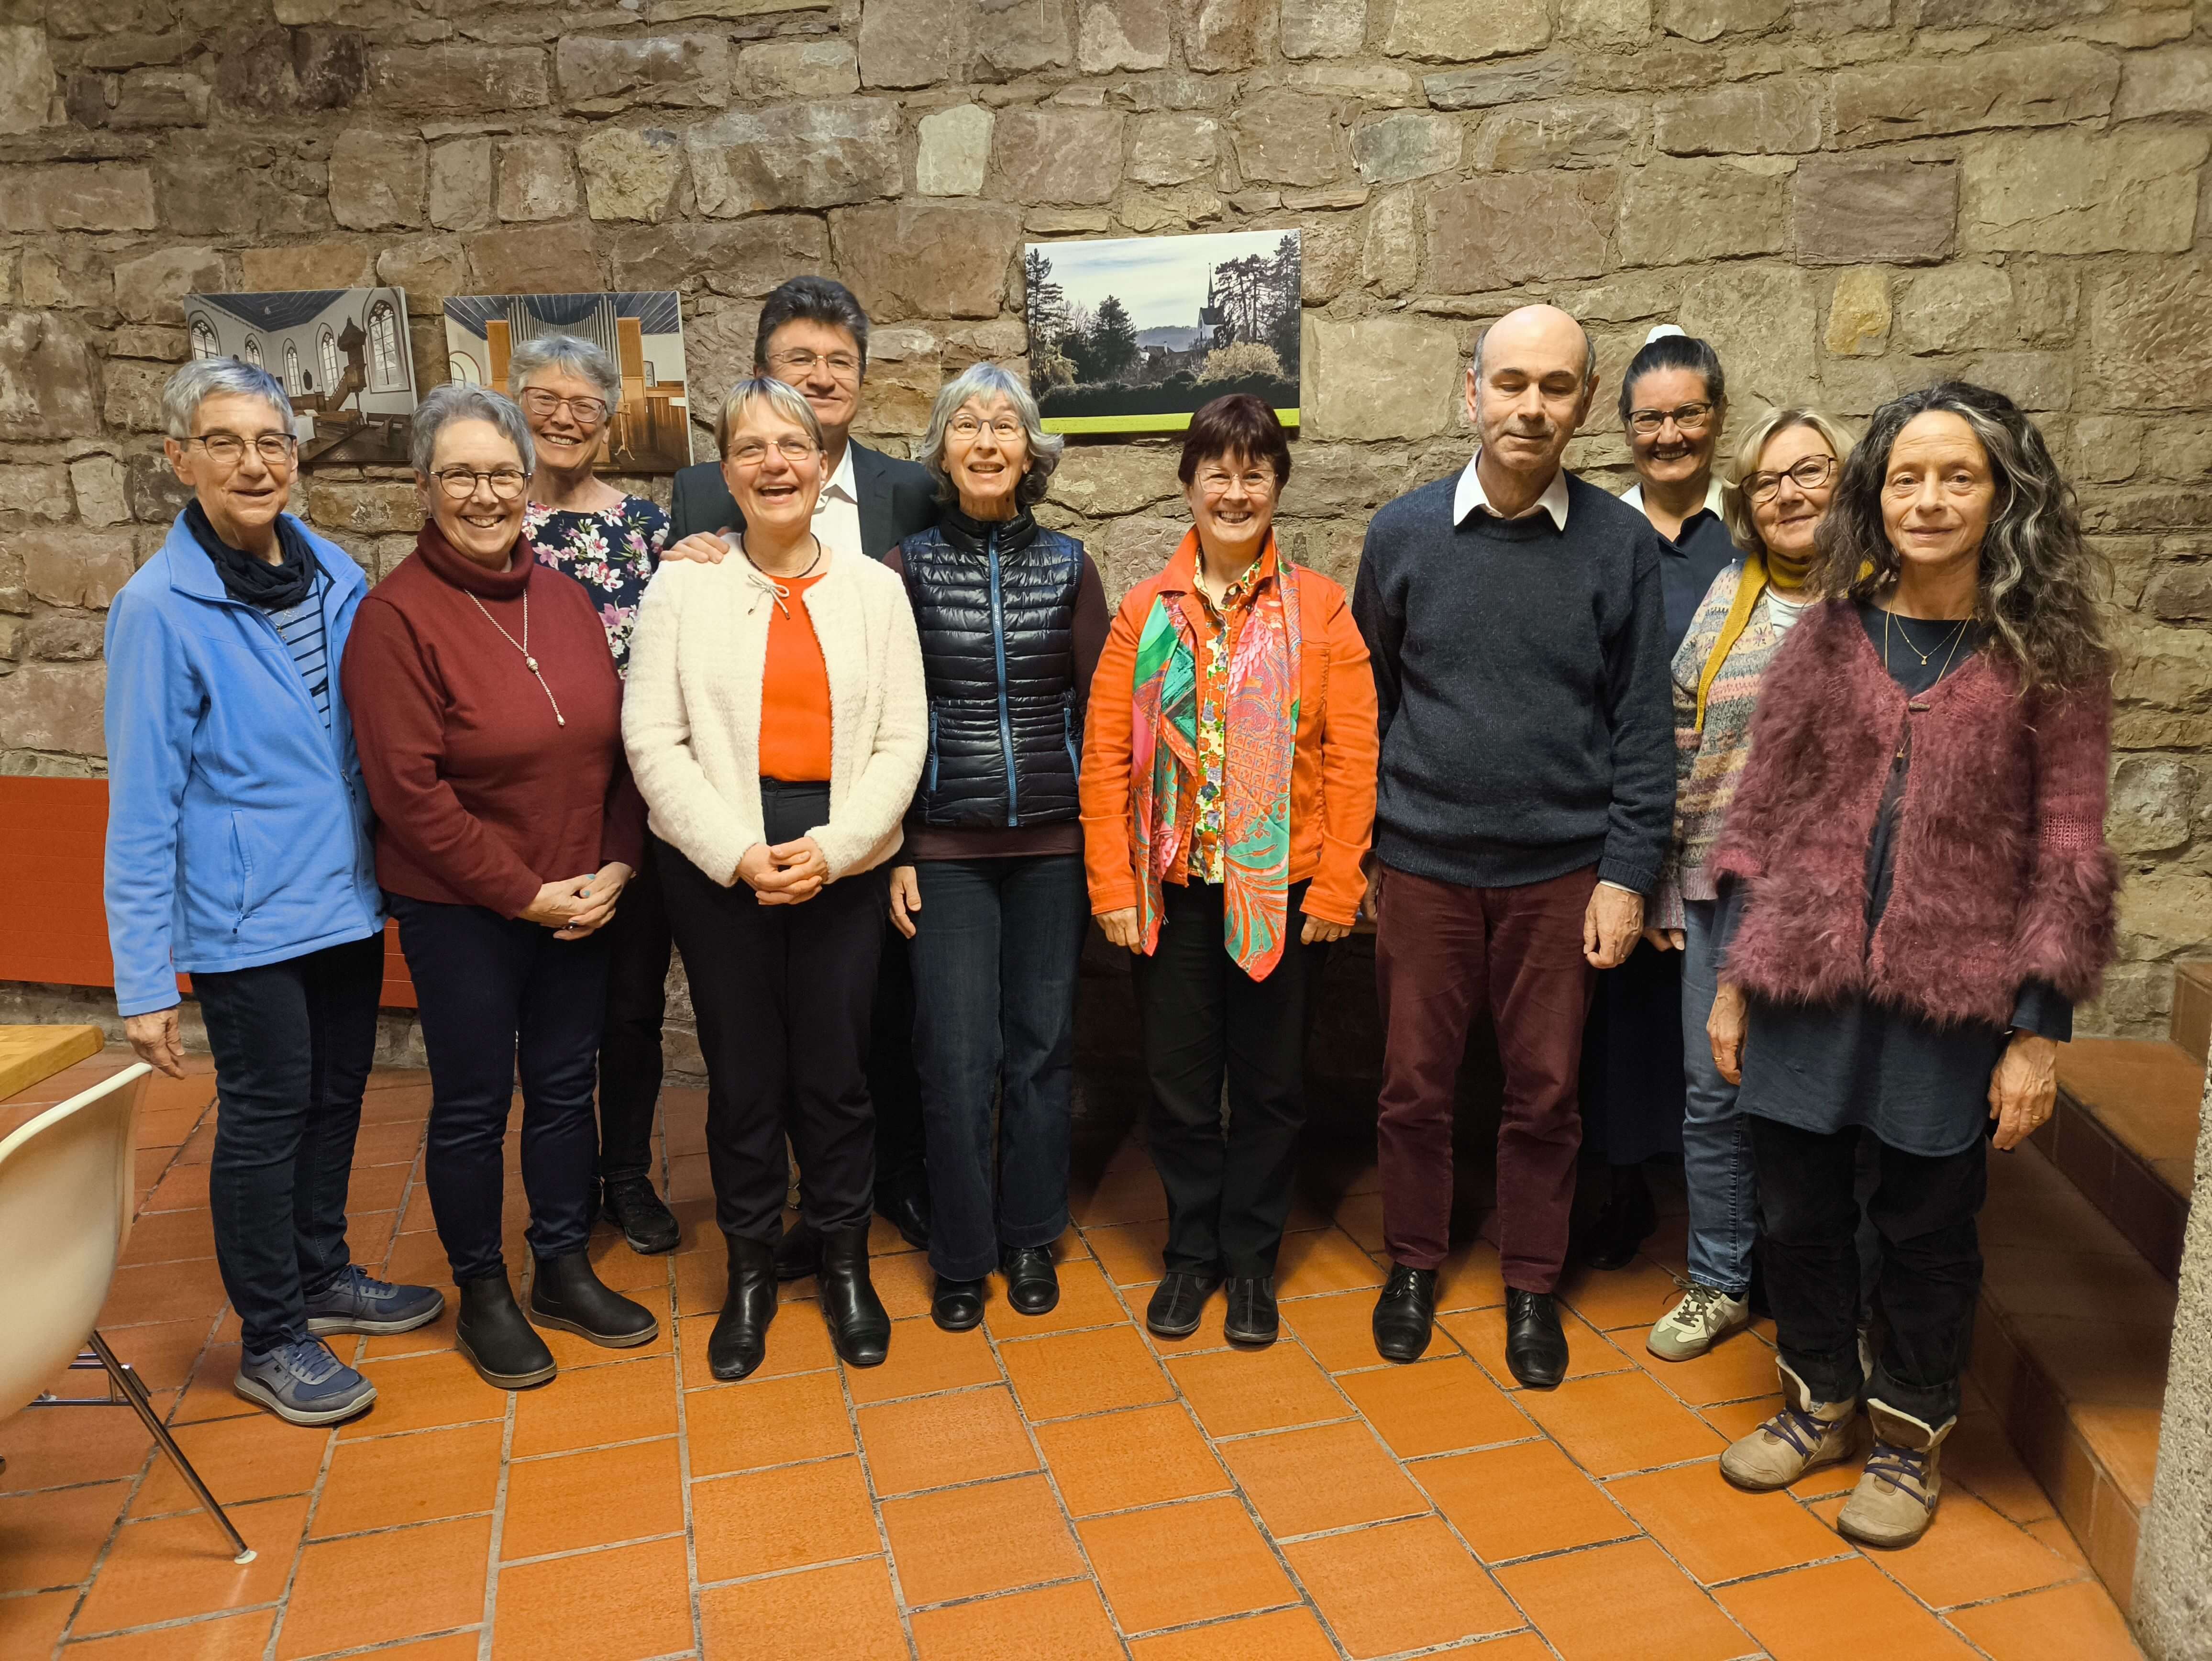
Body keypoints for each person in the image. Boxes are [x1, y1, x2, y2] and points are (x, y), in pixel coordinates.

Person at [1708, 383, 2116, 1549]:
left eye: (1957, 477)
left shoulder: (2049, 658)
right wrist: (1733, 980)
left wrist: (2034, 1033)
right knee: (1794, 1210)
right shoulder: (1826, 635)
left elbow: (2070, 846)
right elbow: (1761, 810)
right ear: (1874, 495)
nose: (1927, 499)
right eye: (1905, 477)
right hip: (1800, 979)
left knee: (1925, 1226)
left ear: (2002, 496)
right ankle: (1815, 1397)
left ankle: (1906, 1432)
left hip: (1951, 995)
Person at [104, 360, 442, 1427]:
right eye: (225, 442)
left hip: (343, 897)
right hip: (244, 921)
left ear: (294, 457)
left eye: (270, 443)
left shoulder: (332, 569)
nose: (252, 464)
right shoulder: (157, 610)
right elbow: (142, 804)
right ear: (180, 459)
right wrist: (143, 978)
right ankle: (271, 1336)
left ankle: (321, 1273)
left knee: (337, 1097)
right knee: (265, 1118)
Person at [1354, 304, 1673, 1385]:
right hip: (1422, 865)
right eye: (1511, 383)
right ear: (1471, 392)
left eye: (1555, 387)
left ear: (1583, 405)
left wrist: (1626, 876)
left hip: (1560, 873)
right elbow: (1369, 703)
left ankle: (1532, 1281)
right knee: (1412, 1087)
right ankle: (1412, 1262)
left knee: (1545, 1093)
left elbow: (1641, 724)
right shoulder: (1401, 536)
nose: (1530, 406)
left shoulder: (1618, 544)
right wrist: (1367, 852)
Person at [343, 384, 657, 1392]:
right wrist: (523, 893)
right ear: (424, 486)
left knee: (565, 1090)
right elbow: (407, 793)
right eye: (461, 475)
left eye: (501, 474)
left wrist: (616, 865)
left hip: (581, 895)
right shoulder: (394, 619)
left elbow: (617, 752)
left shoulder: (562, 599)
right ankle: (482, 1289)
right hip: (465, 909)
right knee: (476, 1104)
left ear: (529, 484)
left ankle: (561, 1265)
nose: (484, 495)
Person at [624, 376, 926, 1380]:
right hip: (721, 866)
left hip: (841, 857)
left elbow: (902, 739)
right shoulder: (682, 587)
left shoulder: (875, 590)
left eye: (792, 446)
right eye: (751, 449)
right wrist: (735, 851)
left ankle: (843, 1263)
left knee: (837, 1077)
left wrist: (840, 847)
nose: (774, 464)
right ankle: (750, 1270)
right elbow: (651, 739)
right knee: (745, 1078)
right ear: (727, 471)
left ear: (822, 462)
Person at [1082, 396, 1378, 1349]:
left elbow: (1352, 759)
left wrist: (1338, 886)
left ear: (1277, 487)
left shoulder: (1320, 610)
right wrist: (1113, 888)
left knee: (1270, 1088)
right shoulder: (1144, 612)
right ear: (1188, 485)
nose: (1236, 491)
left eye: (1256, 473)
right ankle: (1190, 1254)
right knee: (1176, 1086)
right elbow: (1105, 761)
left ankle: (1250, 1261)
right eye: (1218, 471)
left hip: (1281, 893)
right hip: (1168, 893)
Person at [667, 276, 939, 1262]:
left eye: (839, 362)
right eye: (799, 360)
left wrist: (882, 840)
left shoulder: (913, 493)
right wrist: (733, 846)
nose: (821, 378)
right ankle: (765, 1233)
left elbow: (916, 700)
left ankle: (863, 1211)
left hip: (860, 827)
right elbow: (670, 710)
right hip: (736, 827)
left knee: (861, 1042)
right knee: (749, 1061)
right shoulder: (702, 502)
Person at [882, 365, 1107, 1333]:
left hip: (1054, 847)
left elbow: (1102, 716)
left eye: (1003, 425)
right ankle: (963, 1251)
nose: (985, 441)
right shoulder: (903, 569)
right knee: (955, 1055)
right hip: (944, 850)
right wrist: (897, 845)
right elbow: (884, 717)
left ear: (1029, 451)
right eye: (966, 425)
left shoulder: (1070, 566)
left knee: (1043, 1051)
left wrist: (1102, 843)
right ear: (942, 449)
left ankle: (1029, 1237)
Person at [1644, 407, 1855, 1362]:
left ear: (1847, 484)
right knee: (1712, 1092)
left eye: (1809, 472)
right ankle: (1718, 1279)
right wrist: (1665, 883)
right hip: (1718, 885)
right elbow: (1679, 733)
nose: (1787, 495)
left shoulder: (1881, 599)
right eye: (1767, 482)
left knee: (1825, 1099)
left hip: (1839, 897)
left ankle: (1836, 1300)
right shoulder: (1730, 593)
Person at [510, 332, 679, 1256]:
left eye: (585, 405)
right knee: (555, 1011)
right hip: (538, 810)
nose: (565, 419)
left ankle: (626, 1174)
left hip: (639, 802)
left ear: (609, 423)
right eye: (546, 400)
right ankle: (563, 1179)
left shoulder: (649, 529)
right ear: (516, 407)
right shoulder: (495, 522)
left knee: (632, 1006)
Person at [1578, 327, 1740, 1270]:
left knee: (1726, 1021)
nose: (1669, 435)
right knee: (1620, 1023)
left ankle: (1730, 1217)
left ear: (1717, 418)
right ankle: (1623, 1189)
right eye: (1650, 420)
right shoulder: (1599, 533)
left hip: (1729, 823)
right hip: (1624, 817)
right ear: (1624, 426)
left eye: (1688, 415)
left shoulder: (1752, 532)